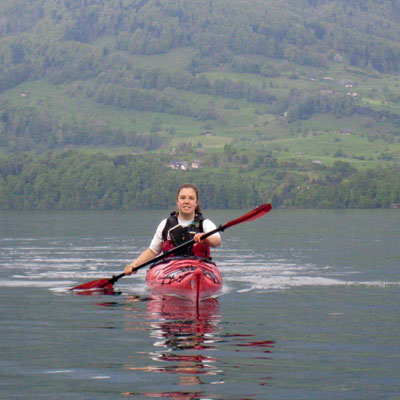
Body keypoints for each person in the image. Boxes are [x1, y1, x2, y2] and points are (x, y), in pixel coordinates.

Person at [124, 183, 222, 275]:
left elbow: (217, 241)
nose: (186, 201)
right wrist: (134, 265)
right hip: (171, 270)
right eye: (183, 198)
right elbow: (153, 251)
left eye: (191, 198)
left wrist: (205, 238)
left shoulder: (205, 223)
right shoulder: (165, 224)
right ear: (177, 201)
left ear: (196, 203)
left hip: (199, 268)